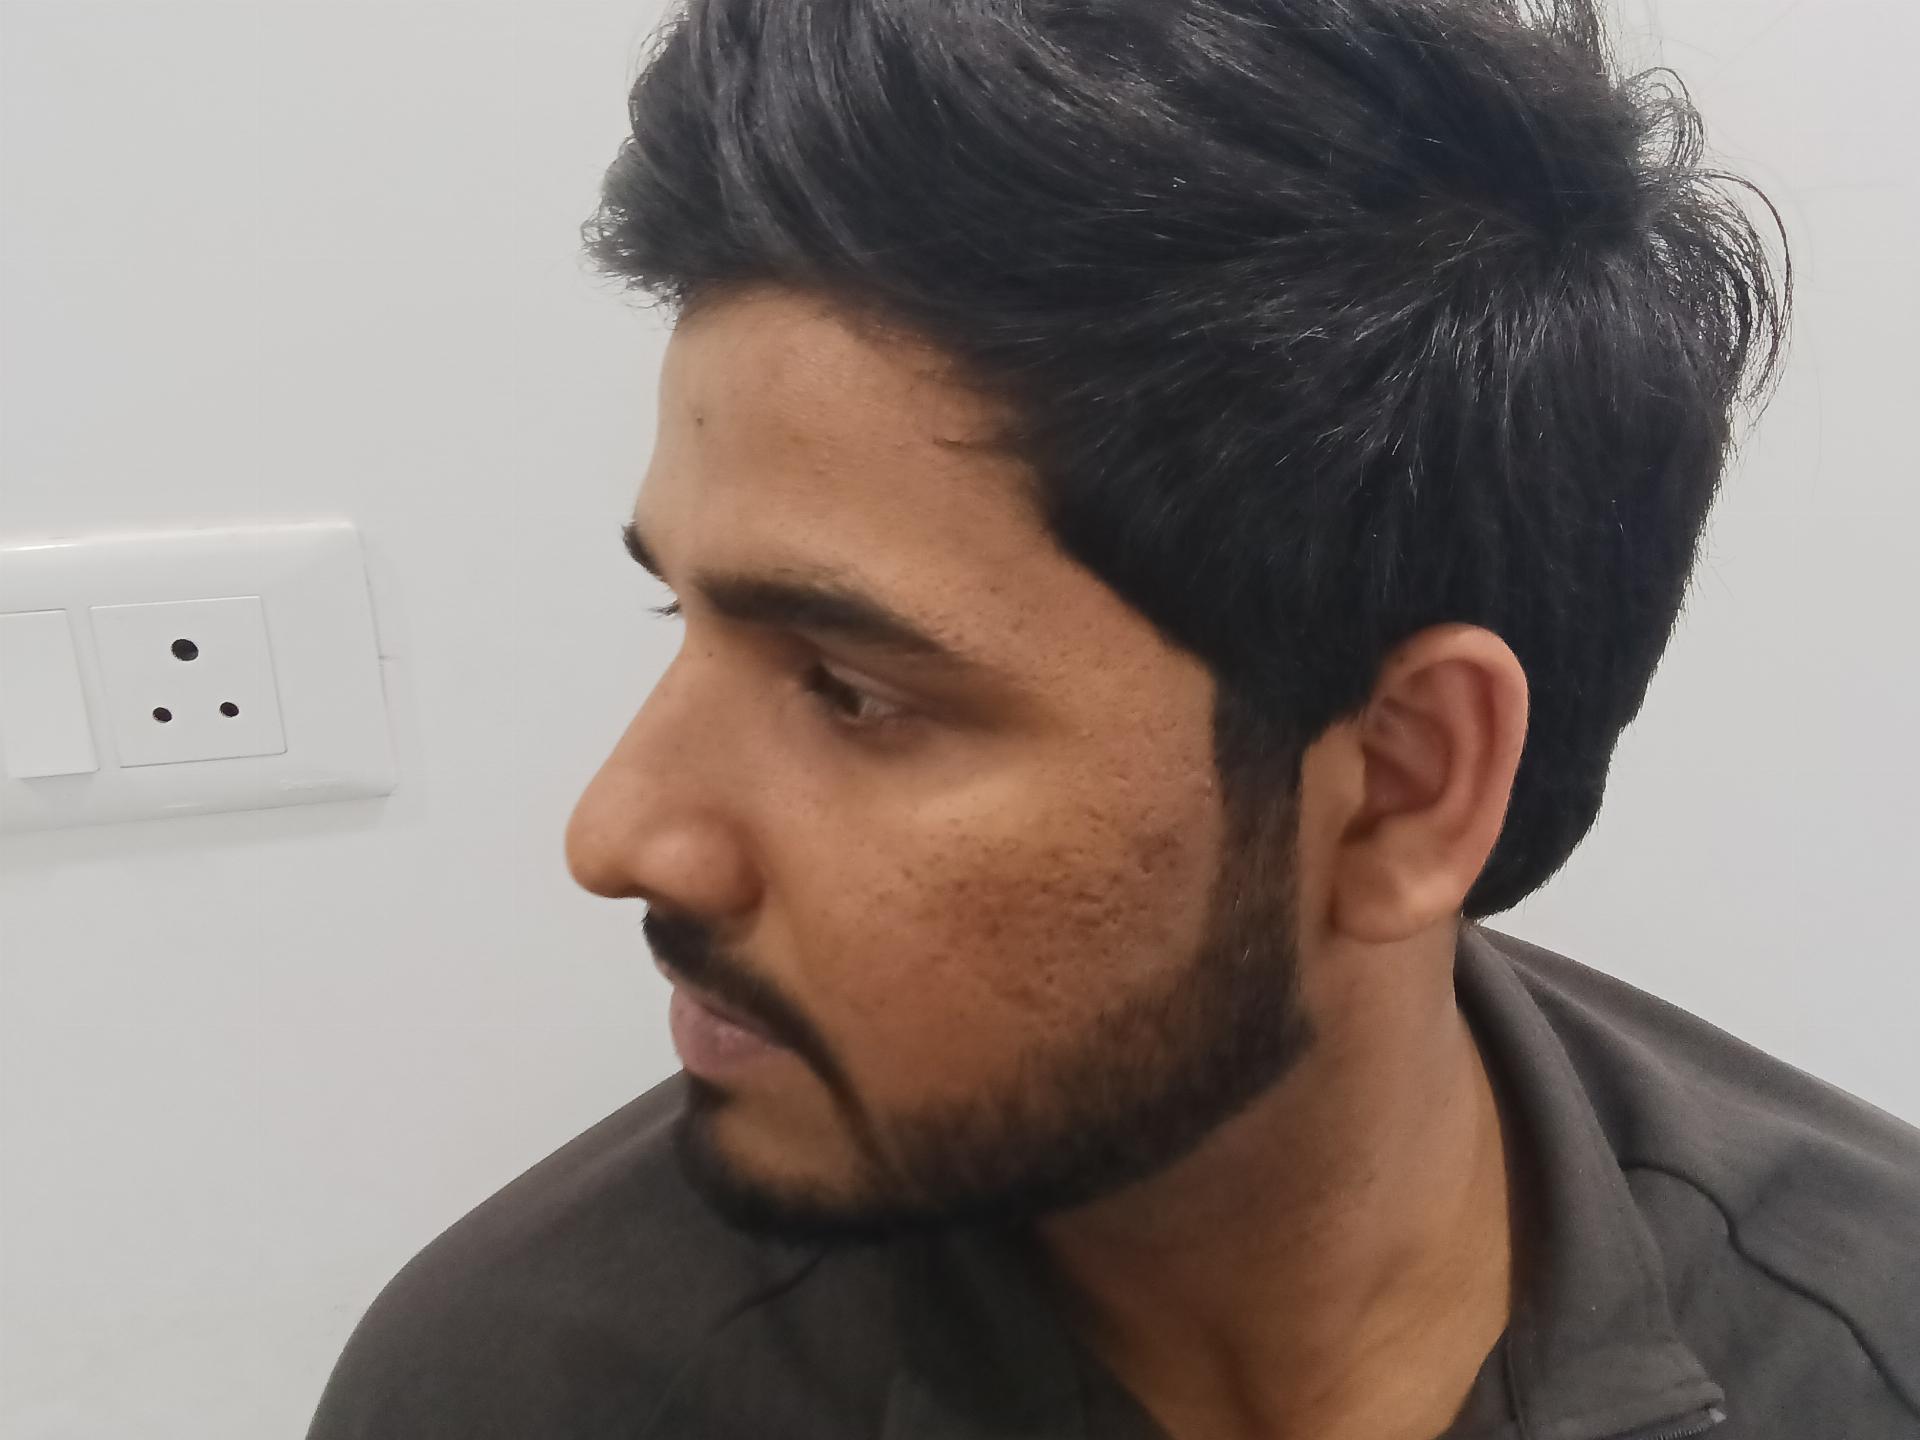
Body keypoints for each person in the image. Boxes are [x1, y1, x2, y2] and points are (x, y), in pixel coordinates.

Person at [305, 1, 1920, 1436]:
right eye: (687, 616)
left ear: (1403, 784)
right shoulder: (525, 1392)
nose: (619, 835)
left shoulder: (1868, 1357)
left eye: (853, 691)